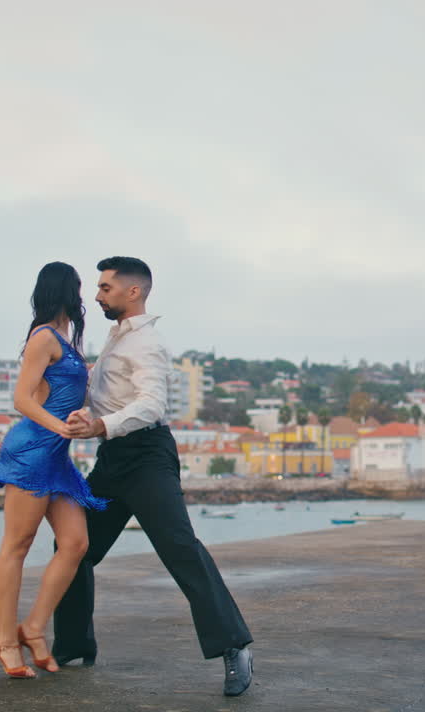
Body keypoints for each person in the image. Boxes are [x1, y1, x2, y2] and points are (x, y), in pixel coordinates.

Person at [58, 256, 255, 697]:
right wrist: (88, 416)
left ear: (133, 291)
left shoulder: (147, 343)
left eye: (105, 287)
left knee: (180, 549)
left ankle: (235, 647)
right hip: (113, 457)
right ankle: (73, 646)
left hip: (147, 457)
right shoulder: (116, 338)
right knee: (74, 547)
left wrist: (100, 424)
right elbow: (111, 399)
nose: (97, 294)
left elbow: (151, 405)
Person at [0, 261, 107, 679]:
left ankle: (33, 627)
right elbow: (21, 399)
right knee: (17, 545)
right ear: (65, 291)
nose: (86, 297)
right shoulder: (43, 337)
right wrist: (62, 427)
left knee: (75, 543)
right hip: (31, 452)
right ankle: (5, 639)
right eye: (80, 288)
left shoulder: (67, 342)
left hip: (57, 459)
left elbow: (60, 393)